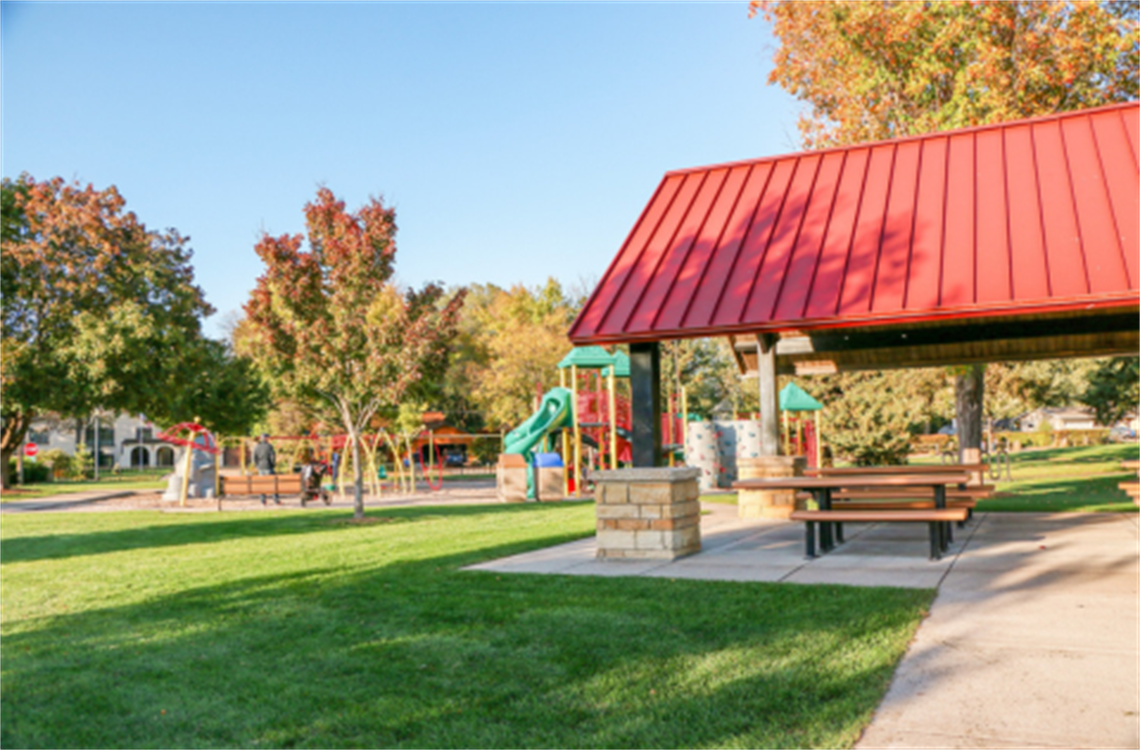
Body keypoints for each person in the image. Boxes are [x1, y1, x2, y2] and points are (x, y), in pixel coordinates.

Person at [252, 433, 278, 504]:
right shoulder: (269, 446)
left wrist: (257, 465)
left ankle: (263, 500)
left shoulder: (257, 447)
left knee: (262, 484)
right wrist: (272, 465)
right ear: (266, 438)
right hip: (268, 466)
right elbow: (272, 457)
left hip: (260, 467)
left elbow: (254, 458)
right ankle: (276, 499)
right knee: (273, 484)